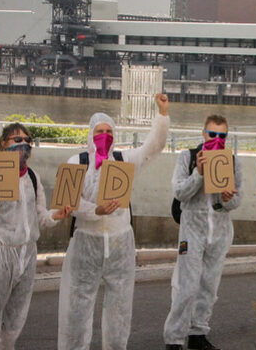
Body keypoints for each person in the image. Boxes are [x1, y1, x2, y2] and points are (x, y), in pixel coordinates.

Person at [58, 95, 170, 350]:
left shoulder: (123, 160)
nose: (105, 135)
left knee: (119, 309)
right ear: (90, 133)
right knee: (76, 308)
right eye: (99, 131)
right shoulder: (77, 163)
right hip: (86, 242)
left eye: (109, 131)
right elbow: (67, 204)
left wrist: (162, 116)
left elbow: (153, 148)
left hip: (120, 244)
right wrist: (94, 210)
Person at [0, 123, 71, 349]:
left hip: (27, 255)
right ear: (3, 143)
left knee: (14, 321)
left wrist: (58, 215)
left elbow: (41, 217)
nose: (22, 144)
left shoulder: (33, 177)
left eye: (27, 140)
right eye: (16, 139)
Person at [164, 115, 243, 350]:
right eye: (212, 134)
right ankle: (174, 338)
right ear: (203, 134)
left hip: (219, 231)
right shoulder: (187, 157)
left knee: (209, 285)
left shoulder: (233, 162)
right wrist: (198, 172)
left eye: (222, 136)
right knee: (186, 285)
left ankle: (198, 333)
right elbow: (179, 192)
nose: (216, 140)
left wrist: (227, 199)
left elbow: (238, 200)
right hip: (192, 229)